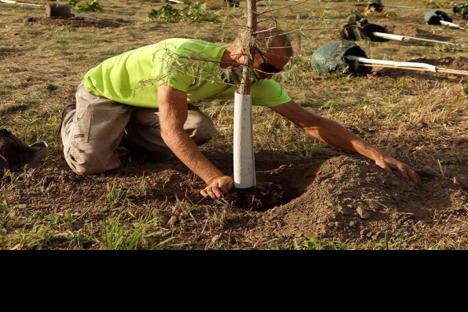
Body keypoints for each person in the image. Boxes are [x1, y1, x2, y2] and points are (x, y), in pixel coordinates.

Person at [61, 25, 420, 199]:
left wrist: (375, 154)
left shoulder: (255, 79)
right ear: (242, 54)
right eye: (268, 68)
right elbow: (170, 130)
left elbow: (309, 123)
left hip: (149, 102)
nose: (271, 77)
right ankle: (74, 122)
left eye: (277, 72)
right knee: (91, 164)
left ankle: (128, 136)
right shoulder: (183, 57)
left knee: (199, 129)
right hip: (108, 90)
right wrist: (211, 177)